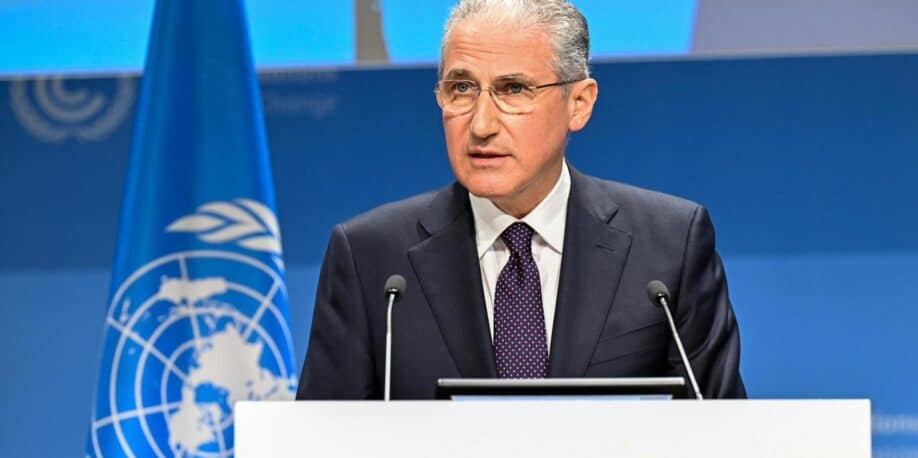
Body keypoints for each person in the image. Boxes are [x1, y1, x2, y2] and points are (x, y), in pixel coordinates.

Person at [297, 0, 745, 400]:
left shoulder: (669, 247)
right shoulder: (371, 259)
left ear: (580, 103)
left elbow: (722, 445)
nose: (481, 124)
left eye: (513, 90)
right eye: (461, 89)